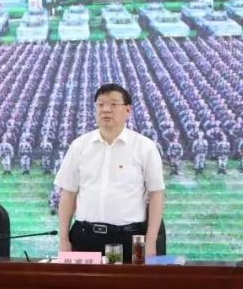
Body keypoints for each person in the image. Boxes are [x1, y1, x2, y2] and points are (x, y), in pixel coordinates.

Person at [55, 84, 165, 263]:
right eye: (101, 104)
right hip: (84, 237)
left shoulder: (145, 147)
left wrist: (151, 242)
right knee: (80, 281)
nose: (106, 110)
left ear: (128, 110)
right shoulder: (79, 146)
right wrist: (64, 239)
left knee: (124, 282)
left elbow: (156, 195)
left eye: (113, 104)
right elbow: (68, 194)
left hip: (126, 238)